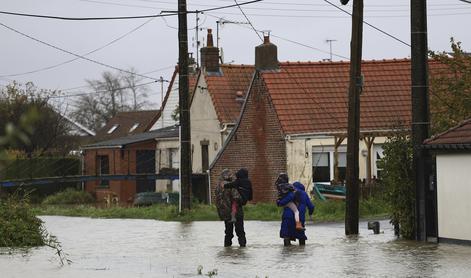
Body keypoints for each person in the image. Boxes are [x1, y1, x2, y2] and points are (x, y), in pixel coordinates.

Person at [215, 169, 247, 247]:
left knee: (228, 232)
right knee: (240, 232)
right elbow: (237, 198)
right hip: (235, 212)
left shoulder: (218, 187)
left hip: (225, 213)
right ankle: (242, 248)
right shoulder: (232, 185)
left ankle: (227, 249)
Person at [277, 181, 315, 246]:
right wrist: (310, 214)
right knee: (301, 236)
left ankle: (287, 252)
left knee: (286, 235)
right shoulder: (304, 194)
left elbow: (281, 202)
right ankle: (301, 252)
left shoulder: (288, 192)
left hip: (287, 218)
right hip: (300, 219)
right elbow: (311, 206)